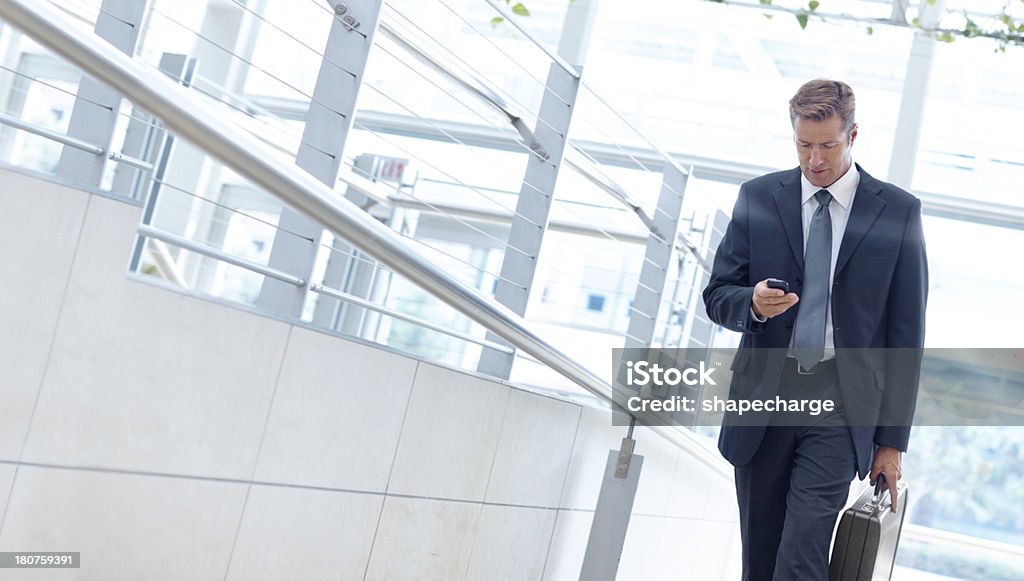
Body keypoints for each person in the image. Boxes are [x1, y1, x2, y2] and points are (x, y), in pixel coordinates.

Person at [702, 79, 928, 580]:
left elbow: (906, 336)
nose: (815, 160)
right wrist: (754, 304)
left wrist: (891, 443)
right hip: (765, 398)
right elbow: (717, 295)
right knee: (760, 562)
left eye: (827, 145)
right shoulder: (758, 197)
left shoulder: (898, 212)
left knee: (802, 552)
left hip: (841, 405)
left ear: (853, 135)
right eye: (804, 145)